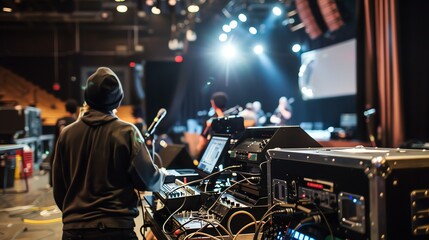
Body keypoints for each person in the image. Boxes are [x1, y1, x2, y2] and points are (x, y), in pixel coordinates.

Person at [52, 67, 166, 240]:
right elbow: (148, 181)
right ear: (118, 101)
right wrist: (162, 175)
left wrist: (78, 216)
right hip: (116, 230)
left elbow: (59, 189)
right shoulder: (128, 132)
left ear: (87, 97)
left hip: (74, 231)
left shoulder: (66, 134)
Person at [48, 99, 79, 187]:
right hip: (72, 151)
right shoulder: (76, 122)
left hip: (59, 147)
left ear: (66, 108)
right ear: (76, 109)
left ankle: (52, 183)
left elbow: (56, 137)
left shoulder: (59, 121)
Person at [196, 91, 228, 157]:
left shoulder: (210, 120)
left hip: (212, 152)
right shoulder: (231, 115)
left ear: (213, 103)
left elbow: (203, 139)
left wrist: (197, 154)